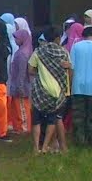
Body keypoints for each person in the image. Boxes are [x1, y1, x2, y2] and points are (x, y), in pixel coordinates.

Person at [28, 26, 70, 154]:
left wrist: (41, 72)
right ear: (58, 38)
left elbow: (30, 70)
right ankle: (46, 146)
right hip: (57, 92)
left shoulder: (38, 52)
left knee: (37, 121)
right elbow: (68, 69)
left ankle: (36, 148)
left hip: (40, 92)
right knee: (53, 120)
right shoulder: (64, 52)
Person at [68, 24, 92, 146]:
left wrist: (70, 85)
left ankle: (79, 141)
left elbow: (72, 67)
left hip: (78, 86)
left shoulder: (76, 47)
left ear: (83, 36)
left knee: (78, 116)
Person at [6, 18, 33, 135]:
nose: (15, 40)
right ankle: (18, 127)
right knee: (17, 107)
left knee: (22, 107)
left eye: (17, 37)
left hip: (21, 85)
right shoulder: (22, 50)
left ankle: (24, 128)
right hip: (17, 84)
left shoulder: (22, 53)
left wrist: (20, 87)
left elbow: (22, 72)